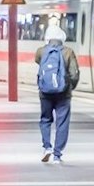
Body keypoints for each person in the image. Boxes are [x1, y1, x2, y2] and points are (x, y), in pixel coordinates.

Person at [35, 23, 79, 163]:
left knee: (45, 120)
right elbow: (74, 74)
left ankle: (47, 147)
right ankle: (57, 155)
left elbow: (38, 62)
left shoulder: (41, 51)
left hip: (45, 93)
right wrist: (69, 87)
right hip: (63, 94)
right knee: (62, 123)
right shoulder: (68, 52)